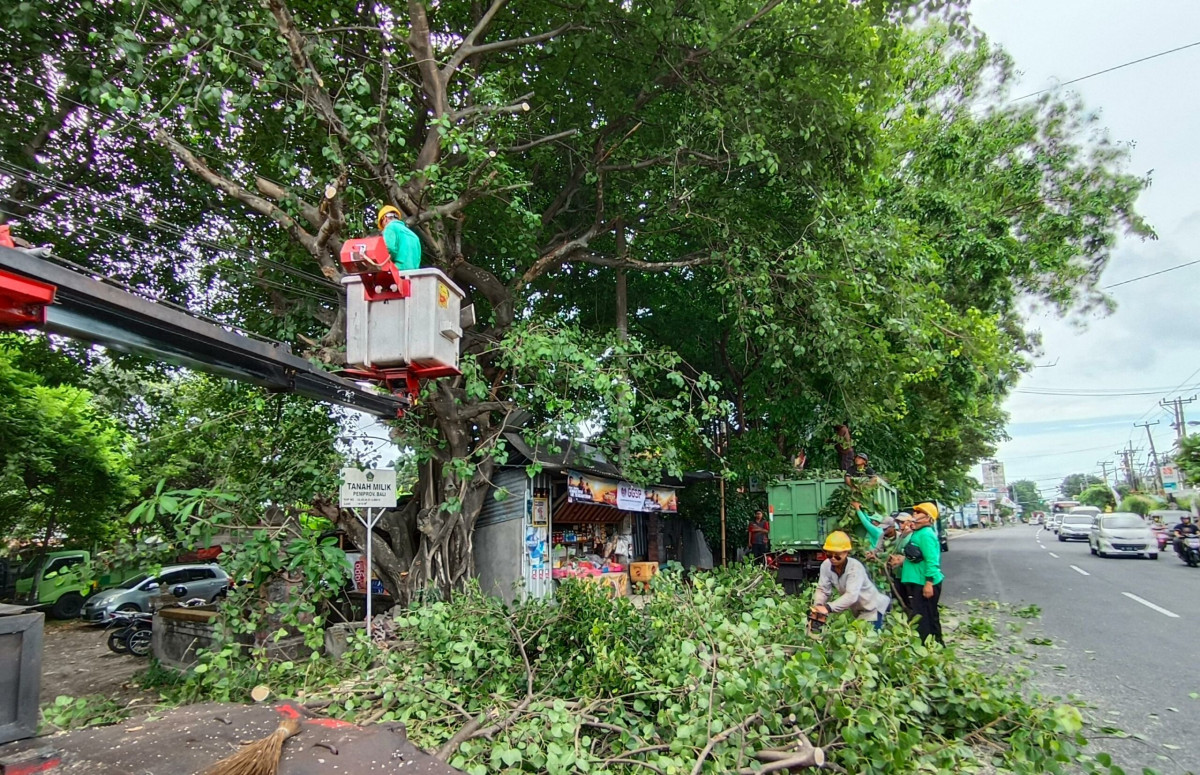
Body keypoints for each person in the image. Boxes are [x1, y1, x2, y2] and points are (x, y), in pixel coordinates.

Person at [811, 531, 891, 630]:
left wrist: (828, 608)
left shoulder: (854, 568)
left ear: (846, 552)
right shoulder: (826, 565)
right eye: (829, 555)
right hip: (859, 610)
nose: (833, 558)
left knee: (868, 641)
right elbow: (823, 589)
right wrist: (818, 606)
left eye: (837, 555)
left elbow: (851, 595)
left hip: (872, 609)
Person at [898, 502, 944, 645]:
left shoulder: (926, 535)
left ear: (928, 518)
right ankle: (935, 644)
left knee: (925, 618)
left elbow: (932, 560)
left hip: (925, 582)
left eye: (918, 513)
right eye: (915, 512)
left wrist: (929, 583)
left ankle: (930, 645)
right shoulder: (917, 533)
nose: (914, 515)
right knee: (927, 615)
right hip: (918, 581)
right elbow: (917, 556)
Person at [376, 205, 422, 270]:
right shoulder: (414, 236)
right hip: (414, 274)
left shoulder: (390, 227)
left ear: (385, 218)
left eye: (382, 225)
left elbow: (389, 248)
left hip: (399, 270)